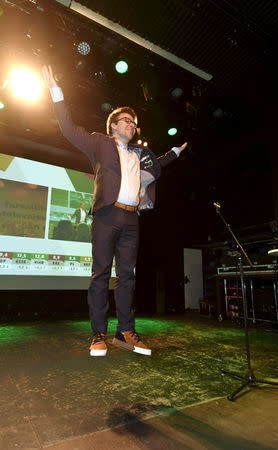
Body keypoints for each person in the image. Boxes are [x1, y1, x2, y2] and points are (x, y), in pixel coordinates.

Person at [42, 65, 187, 357]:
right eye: (126, 121)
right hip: (107, 214)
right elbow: (69, 130)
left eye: (134, 123)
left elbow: (156, 166)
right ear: (113, 126)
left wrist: (173, 153)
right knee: (100, 273)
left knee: (127, 277)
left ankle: (125, 332)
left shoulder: (139, 154)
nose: (131, 125)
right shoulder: (100, 143)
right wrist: (56, 94)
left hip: (132, 217)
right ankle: (98, 333)